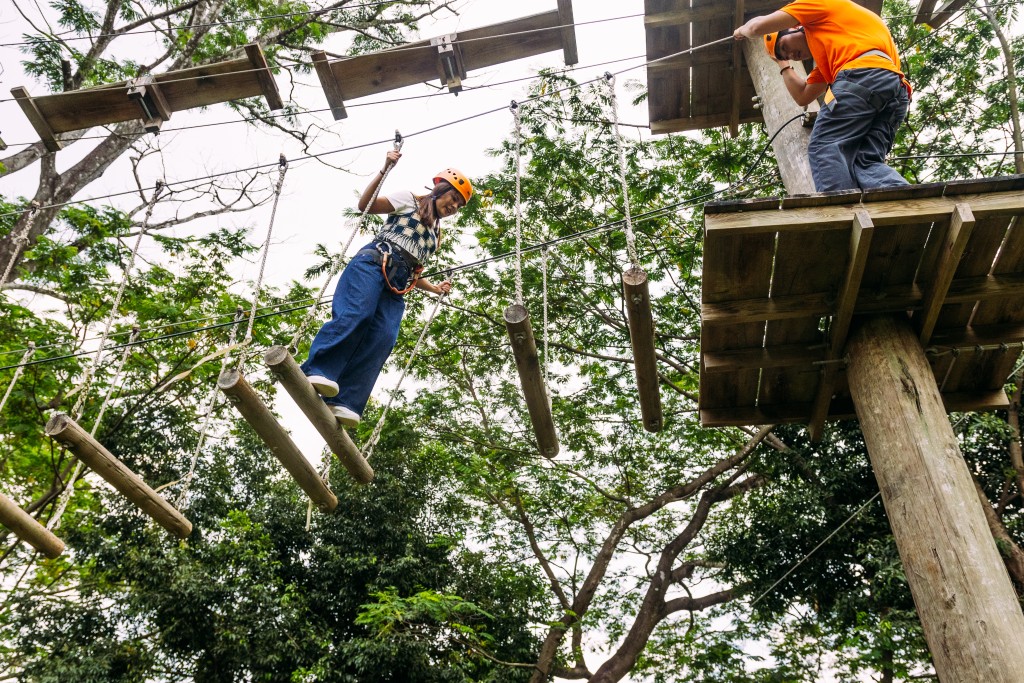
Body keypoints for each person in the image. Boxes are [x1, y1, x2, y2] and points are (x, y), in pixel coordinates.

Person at [301, 150, 472, 426]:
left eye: (459, 205)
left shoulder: (436, 235)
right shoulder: (410, 200)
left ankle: (345, 400)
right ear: (440, 190)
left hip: (398, 284)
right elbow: (365, 205)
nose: (454, 206)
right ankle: (318, 368)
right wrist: (385, 169)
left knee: (383, 337)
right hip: (373, 263)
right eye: (453, 197)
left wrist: (434, 288)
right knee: (357, 313)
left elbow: (415, 271)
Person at [733, 0, 912, 192]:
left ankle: (840, 215)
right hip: (894, 90)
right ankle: (909, 204)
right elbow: (802, 96)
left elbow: (756, 28)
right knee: (864, 160)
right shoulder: (831, 54)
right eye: (787, 56)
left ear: (795, 28)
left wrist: (742, 29)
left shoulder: (819, 5)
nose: (792, 55)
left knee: (823, 146)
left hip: (862, 75)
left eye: (785, 47)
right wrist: (781, 63)